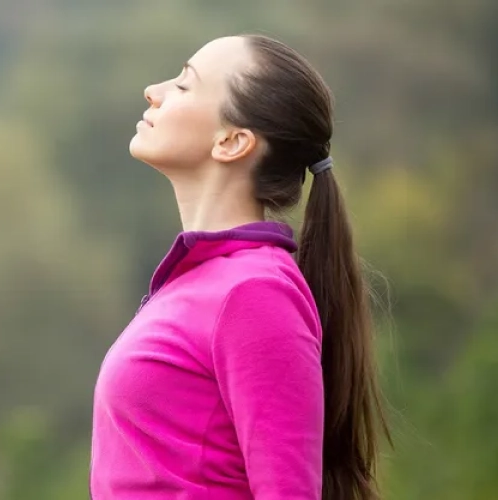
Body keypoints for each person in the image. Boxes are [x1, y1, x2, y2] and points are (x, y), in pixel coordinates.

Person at [89, 34, 390, 500]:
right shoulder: (198, 281)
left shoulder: (254, 292)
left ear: (232, 141)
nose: (154, 90)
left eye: (185, 85)